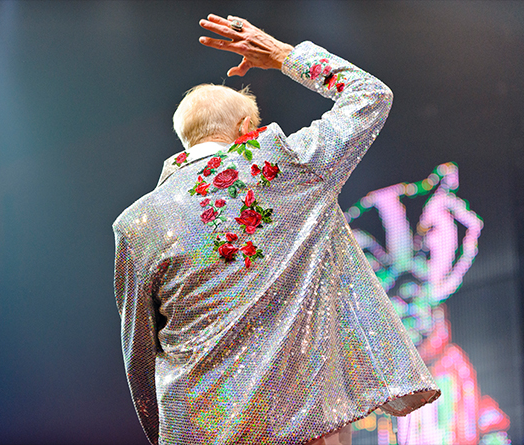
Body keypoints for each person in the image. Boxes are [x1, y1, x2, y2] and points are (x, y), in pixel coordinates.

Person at [113, 14, 440, 445]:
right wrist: (282, 55)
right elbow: (370, 96)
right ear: (248, 132)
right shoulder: (287, 165)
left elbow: (140, 359)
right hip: (303, 424)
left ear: (186, 139)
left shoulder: (138, 223)